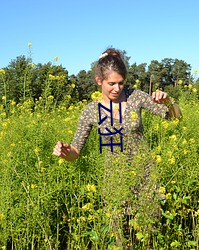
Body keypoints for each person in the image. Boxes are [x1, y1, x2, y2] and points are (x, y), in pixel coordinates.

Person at [53, 47, 182, 247]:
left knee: (150, 236)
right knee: (120, 239)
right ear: (99, 81)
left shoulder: (135, 97)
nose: (117, 88)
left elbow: (175, 118)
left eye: (121, 83)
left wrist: (169, 102)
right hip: (115, 182)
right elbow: (76, 151)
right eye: (111, 83)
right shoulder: (91, 111)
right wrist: (65, 152)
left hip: (145, 176)